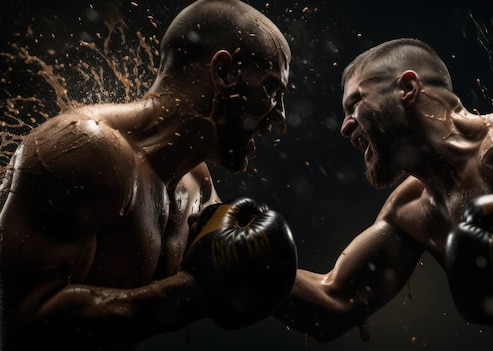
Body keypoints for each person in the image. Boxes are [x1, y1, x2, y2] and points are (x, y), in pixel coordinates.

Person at [274, 38, 493, 350]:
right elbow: (336, 303)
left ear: (407, 88)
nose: (345, 125)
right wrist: (236, 257)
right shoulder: (412, 207)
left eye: (355, 104)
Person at [0, 0, 298, 350]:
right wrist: (191, 295)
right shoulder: (85, 148)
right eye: (271, 90)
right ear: (224, 72)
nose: (279, 116)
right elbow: (21, 322)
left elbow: (248, 275)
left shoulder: (196, 185)